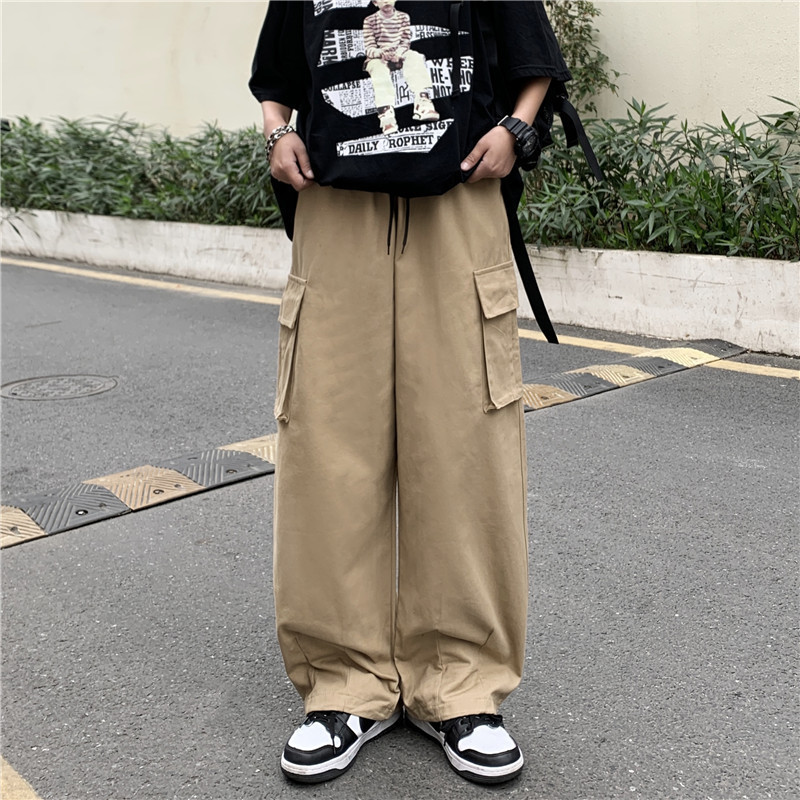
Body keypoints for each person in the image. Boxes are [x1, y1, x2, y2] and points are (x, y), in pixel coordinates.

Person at [249, 0, 571, 786]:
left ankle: (460, 687)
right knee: (329, 449)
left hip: (458, 207)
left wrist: (517, 130)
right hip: (337, 215)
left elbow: (535, 62)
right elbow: (276, 78)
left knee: (464, 449)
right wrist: (277, 133)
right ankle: (342, 686)